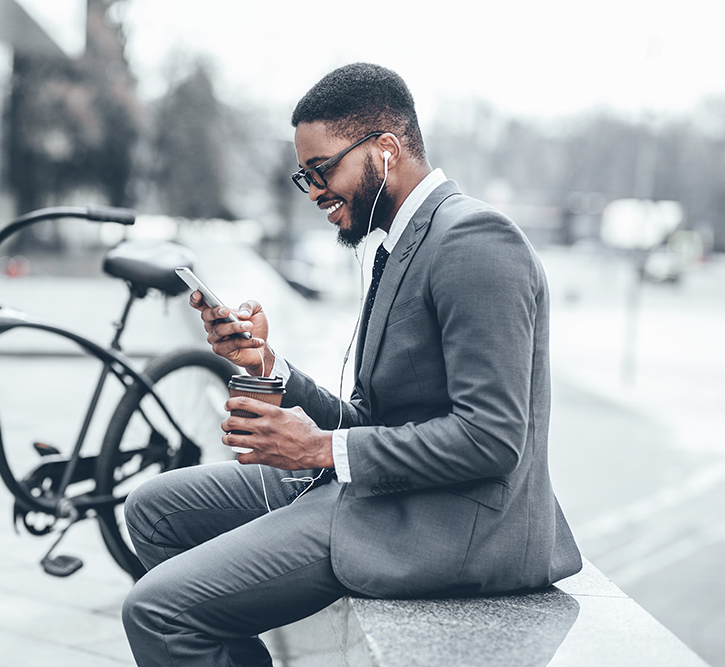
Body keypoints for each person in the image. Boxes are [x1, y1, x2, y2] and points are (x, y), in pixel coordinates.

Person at [121, 62, 582, 667]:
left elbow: (492, 439)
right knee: (154, 511)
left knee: (157, 610)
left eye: (321, 169)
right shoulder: (400, 242)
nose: (313, 191)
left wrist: (319, 451)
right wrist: (269, 366)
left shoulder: (474, 242)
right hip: (386, 490)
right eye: (303, 175)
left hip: (448, 525)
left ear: (385, 150)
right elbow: (374, 416)